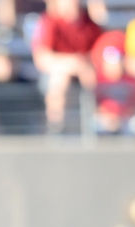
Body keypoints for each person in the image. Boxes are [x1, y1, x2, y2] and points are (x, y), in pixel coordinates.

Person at [31, 0, 103, 133]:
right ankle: (56, 126)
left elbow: (99, 51)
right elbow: (42, 58)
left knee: (91, 74)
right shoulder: (49, 21)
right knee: (60, 78)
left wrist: (81, 63)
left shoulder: (89, 22)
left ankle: (99, 121)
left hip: (84, 71)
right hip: (55, 72)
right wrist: (71, 63)